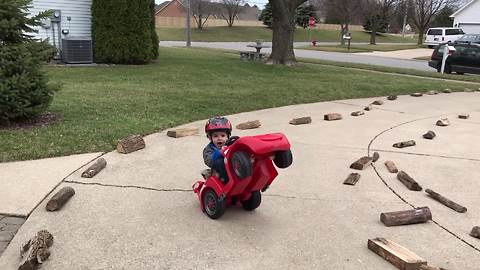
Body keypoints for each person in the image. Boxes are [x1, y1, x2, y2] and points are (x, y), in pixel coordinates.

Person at [203, 116, 232, 183]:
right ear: (210, 137)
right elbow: (209, 161)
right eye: (215, 136)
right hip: (218, 173)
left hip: (233, 168)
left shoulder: (230, 144)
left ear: (228, 136)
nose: (219, 138)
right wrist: (219, 153)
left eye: (223, 135)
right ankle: (226, 182)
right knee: (219, 162)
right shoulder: (208, 149)